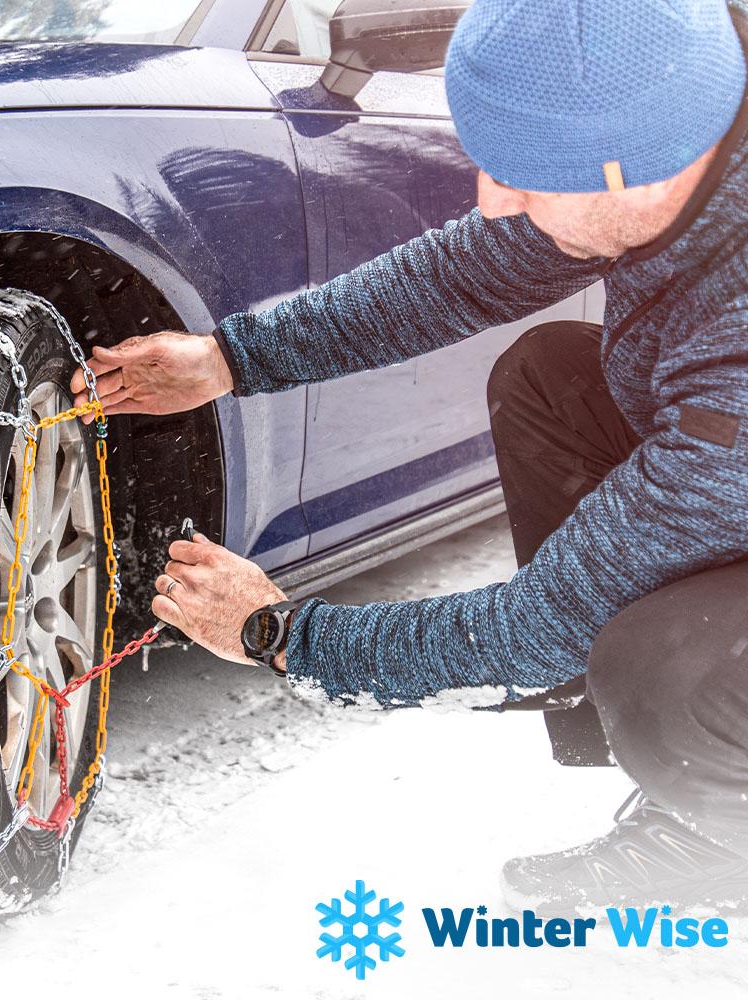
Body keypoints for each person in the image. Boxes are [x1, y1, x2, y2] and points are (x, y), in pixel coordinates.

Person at [71, 0, 748, 911]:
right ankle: (675, 768)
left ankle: (717, 827)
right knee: (551, 374)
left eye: (528, 180)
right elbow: (464, 272)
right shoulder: (680, 122)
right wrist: (228, 360)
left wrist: (282, 637)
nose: (493, 201)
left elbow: (537, 627)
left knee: (663, 662)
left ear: (643, 165)